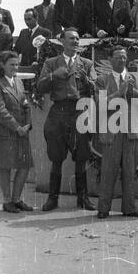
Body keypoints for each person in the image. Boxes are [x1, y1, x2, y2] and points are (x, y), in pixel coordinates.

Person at [37, 27, 96, 212]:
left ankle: (83, 198)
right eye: (71, 38)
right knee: (56, 157)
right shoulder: (51, 62)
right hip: (59, 112)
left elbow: (96, 87)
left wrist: (88, 81)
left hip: (79, 112)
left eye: (78, 38)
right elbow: (40, 87)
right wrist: (54, 75)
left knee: (81, 157)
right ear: (62, 41)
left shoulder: (86, 63)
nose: (75, 41)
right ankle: (52, 199)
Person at [95, 45, 138, 219]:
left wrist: (133, 91)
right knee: (108, 171)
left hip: (131, 131)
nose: (122, 60)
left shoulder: (135, 78)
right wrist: (119, 92)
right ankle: (103, 209)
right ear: (110, 60)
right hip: (112, 132)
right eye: (117, 57)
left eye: (124, 57)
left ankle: (129, 208)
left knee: (130, 172)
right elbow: (101, 105)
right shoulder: (102, 80)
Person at [0, 51, 33, 213]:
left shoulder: (18, 82)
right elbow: (0, 111)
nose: (15, 67)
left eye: (16, 64)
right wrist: (17, 127)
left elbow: (25, 104)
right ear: (2, 65)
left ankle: (17, 199)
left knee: (24, 166)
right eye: (12, 64)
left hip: (22, 131)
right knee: (5, 167)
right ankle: (7, 201)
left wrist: (28, 124)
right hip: (7, 132)